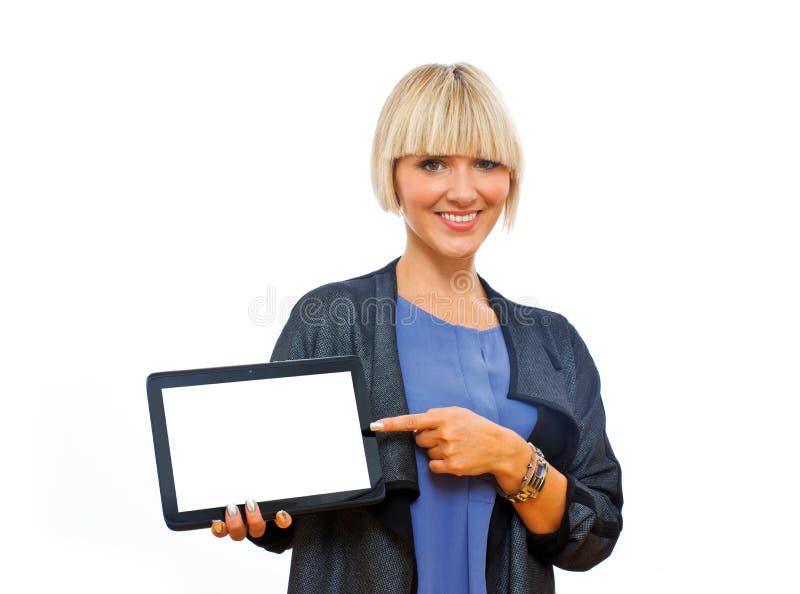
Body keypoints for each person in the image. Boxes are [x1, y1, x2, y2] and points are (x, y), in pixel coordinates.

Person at [210, 62, 623, 593]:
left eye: (486, 162)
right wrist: (257, 513)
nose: (463, 191)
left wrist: (510, 458)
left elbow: (594, 533)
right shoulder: (332, 319)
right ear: (393, 174)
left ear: (510, 177)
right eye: (432, 164)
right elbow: (281, 501)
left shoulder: (554, 344)